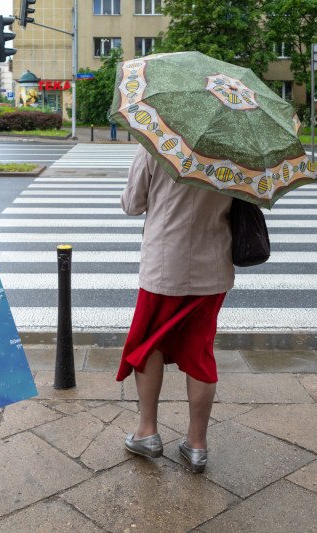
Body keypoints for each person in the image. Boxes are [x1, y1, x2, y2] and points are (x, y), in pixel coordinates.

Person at [117, 145, 234, 473]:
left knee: (148, 343)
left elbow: (132, 204)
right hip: (213, 264)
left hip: (164, 264)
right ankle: (197, 445)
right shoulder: (235, 149)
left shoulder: (157, 141)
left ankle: (147, 432)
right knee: (200, 350)